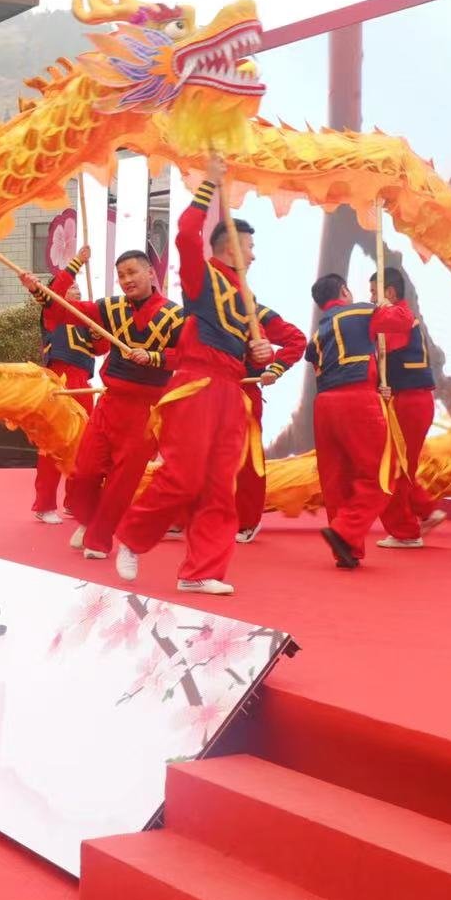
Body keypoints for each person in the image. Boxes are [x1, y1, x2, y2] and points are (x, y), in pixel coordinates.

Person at [113, 165, 277, 596]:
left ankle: (201, 570)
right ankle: (132, 536)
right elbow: (187, 233)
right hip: (197, 384)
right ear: (231, 248)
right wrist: (209, 184)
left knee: (221, 486)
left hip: (231, 391)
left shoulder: (248, 299)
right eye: (250, 247)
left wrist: (260, 354)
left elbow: (250, 354)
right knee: (183, 476)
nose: (254, 255)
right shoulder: (202, 277)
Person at [66, 251, 182, 560]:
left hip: (145, 411)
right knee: (83, 472)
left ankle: (99, 539)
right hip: (110, 402)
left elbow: (188, 355)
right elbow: (66, 310)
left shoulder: (175, 316)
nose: (127, 280)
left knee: (121, 483)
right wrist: (40, 290)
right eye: (121, 275)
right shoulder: (111, 308)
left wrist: (154, 357)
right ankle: (89, 520)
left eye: (133, 272)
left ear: (150, 274)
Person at [305, 273, 415, 569]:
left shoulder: (320, 330)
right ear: (344, 290)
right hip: (356, 399)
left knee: (337, 480)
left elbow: (312, 359)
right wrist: (386, 304)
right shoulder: (361, 310)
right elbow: (403, 321)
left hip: (324, 406)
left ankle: (349, 549)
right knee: (381, 474)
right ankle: (345, 532)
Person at [24, 248, 109, 524]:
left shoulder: (84, 318)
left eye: (78, 287)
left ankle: (74, 501)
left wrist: (98, 333)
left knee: (83, 445)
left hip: (82, 384)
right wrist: (78, 262)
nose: (76, 290)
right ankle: (45, 503)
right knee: (53, 445)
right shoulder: (53, 315)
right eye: (72, 287)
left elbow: (100, 349)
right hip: (58, 381)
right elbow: (55, 293)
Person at [371, 268, 448, 549]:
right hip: (410, 400)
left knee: (394, 468)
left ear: (389, 293)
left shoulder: (399, 318)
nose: (371, 299)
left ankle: (405, 531)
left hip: (409, 402)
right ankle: (426, 509)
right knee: (402, 465)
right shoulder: (403, 318)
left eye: (373, 293)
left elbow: (380, 350)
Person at [233, 303, 309, 543]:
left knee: (246, 459)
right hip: (206, 390)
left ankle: (247, 520)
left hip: (242, 391)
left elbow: (296, 339)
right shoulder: (201, 307)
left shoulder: (250, 309)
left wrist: (275, 368)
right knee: (197, 455)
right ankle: (184, 516)